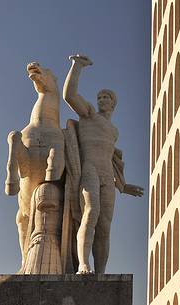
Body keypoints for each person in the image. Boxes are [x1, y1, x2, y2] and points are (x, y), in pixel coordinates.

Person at [63, 54, 143, 274]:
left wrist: (123, 186)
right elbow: (69, 95)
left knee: (105, 226)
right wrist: (76, 66)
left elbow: (113, 160)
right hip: (89, 169)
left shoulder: (113, 131)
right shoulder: (89, 115)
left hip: (108, 175)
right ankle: (83, 264)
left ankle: (100, 272)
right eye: (99, 96)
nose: (101, 99)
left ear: (113, 103)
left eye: (106, 97)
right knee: (91, 212)